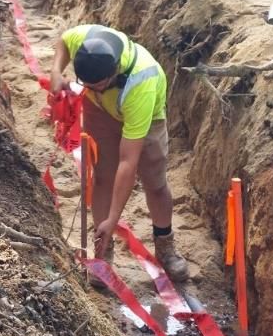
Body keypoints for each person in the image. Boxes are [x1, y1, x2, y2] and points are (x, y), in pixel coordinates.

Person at [50, 23, 189, 283]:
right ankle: (103, 253)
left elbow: (128, 162)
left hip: (144, 118)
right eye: (86, 84)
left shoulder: (141, 82)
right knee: (102, 176)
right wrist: (56, 71)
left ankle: (165, 247)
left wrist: (114, 218)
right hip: (100, 111)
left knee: (155, 182)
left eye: (99, 84)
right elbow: (65, 40)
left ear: (114, 71)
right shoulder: (86, 42)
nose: (93, 88)